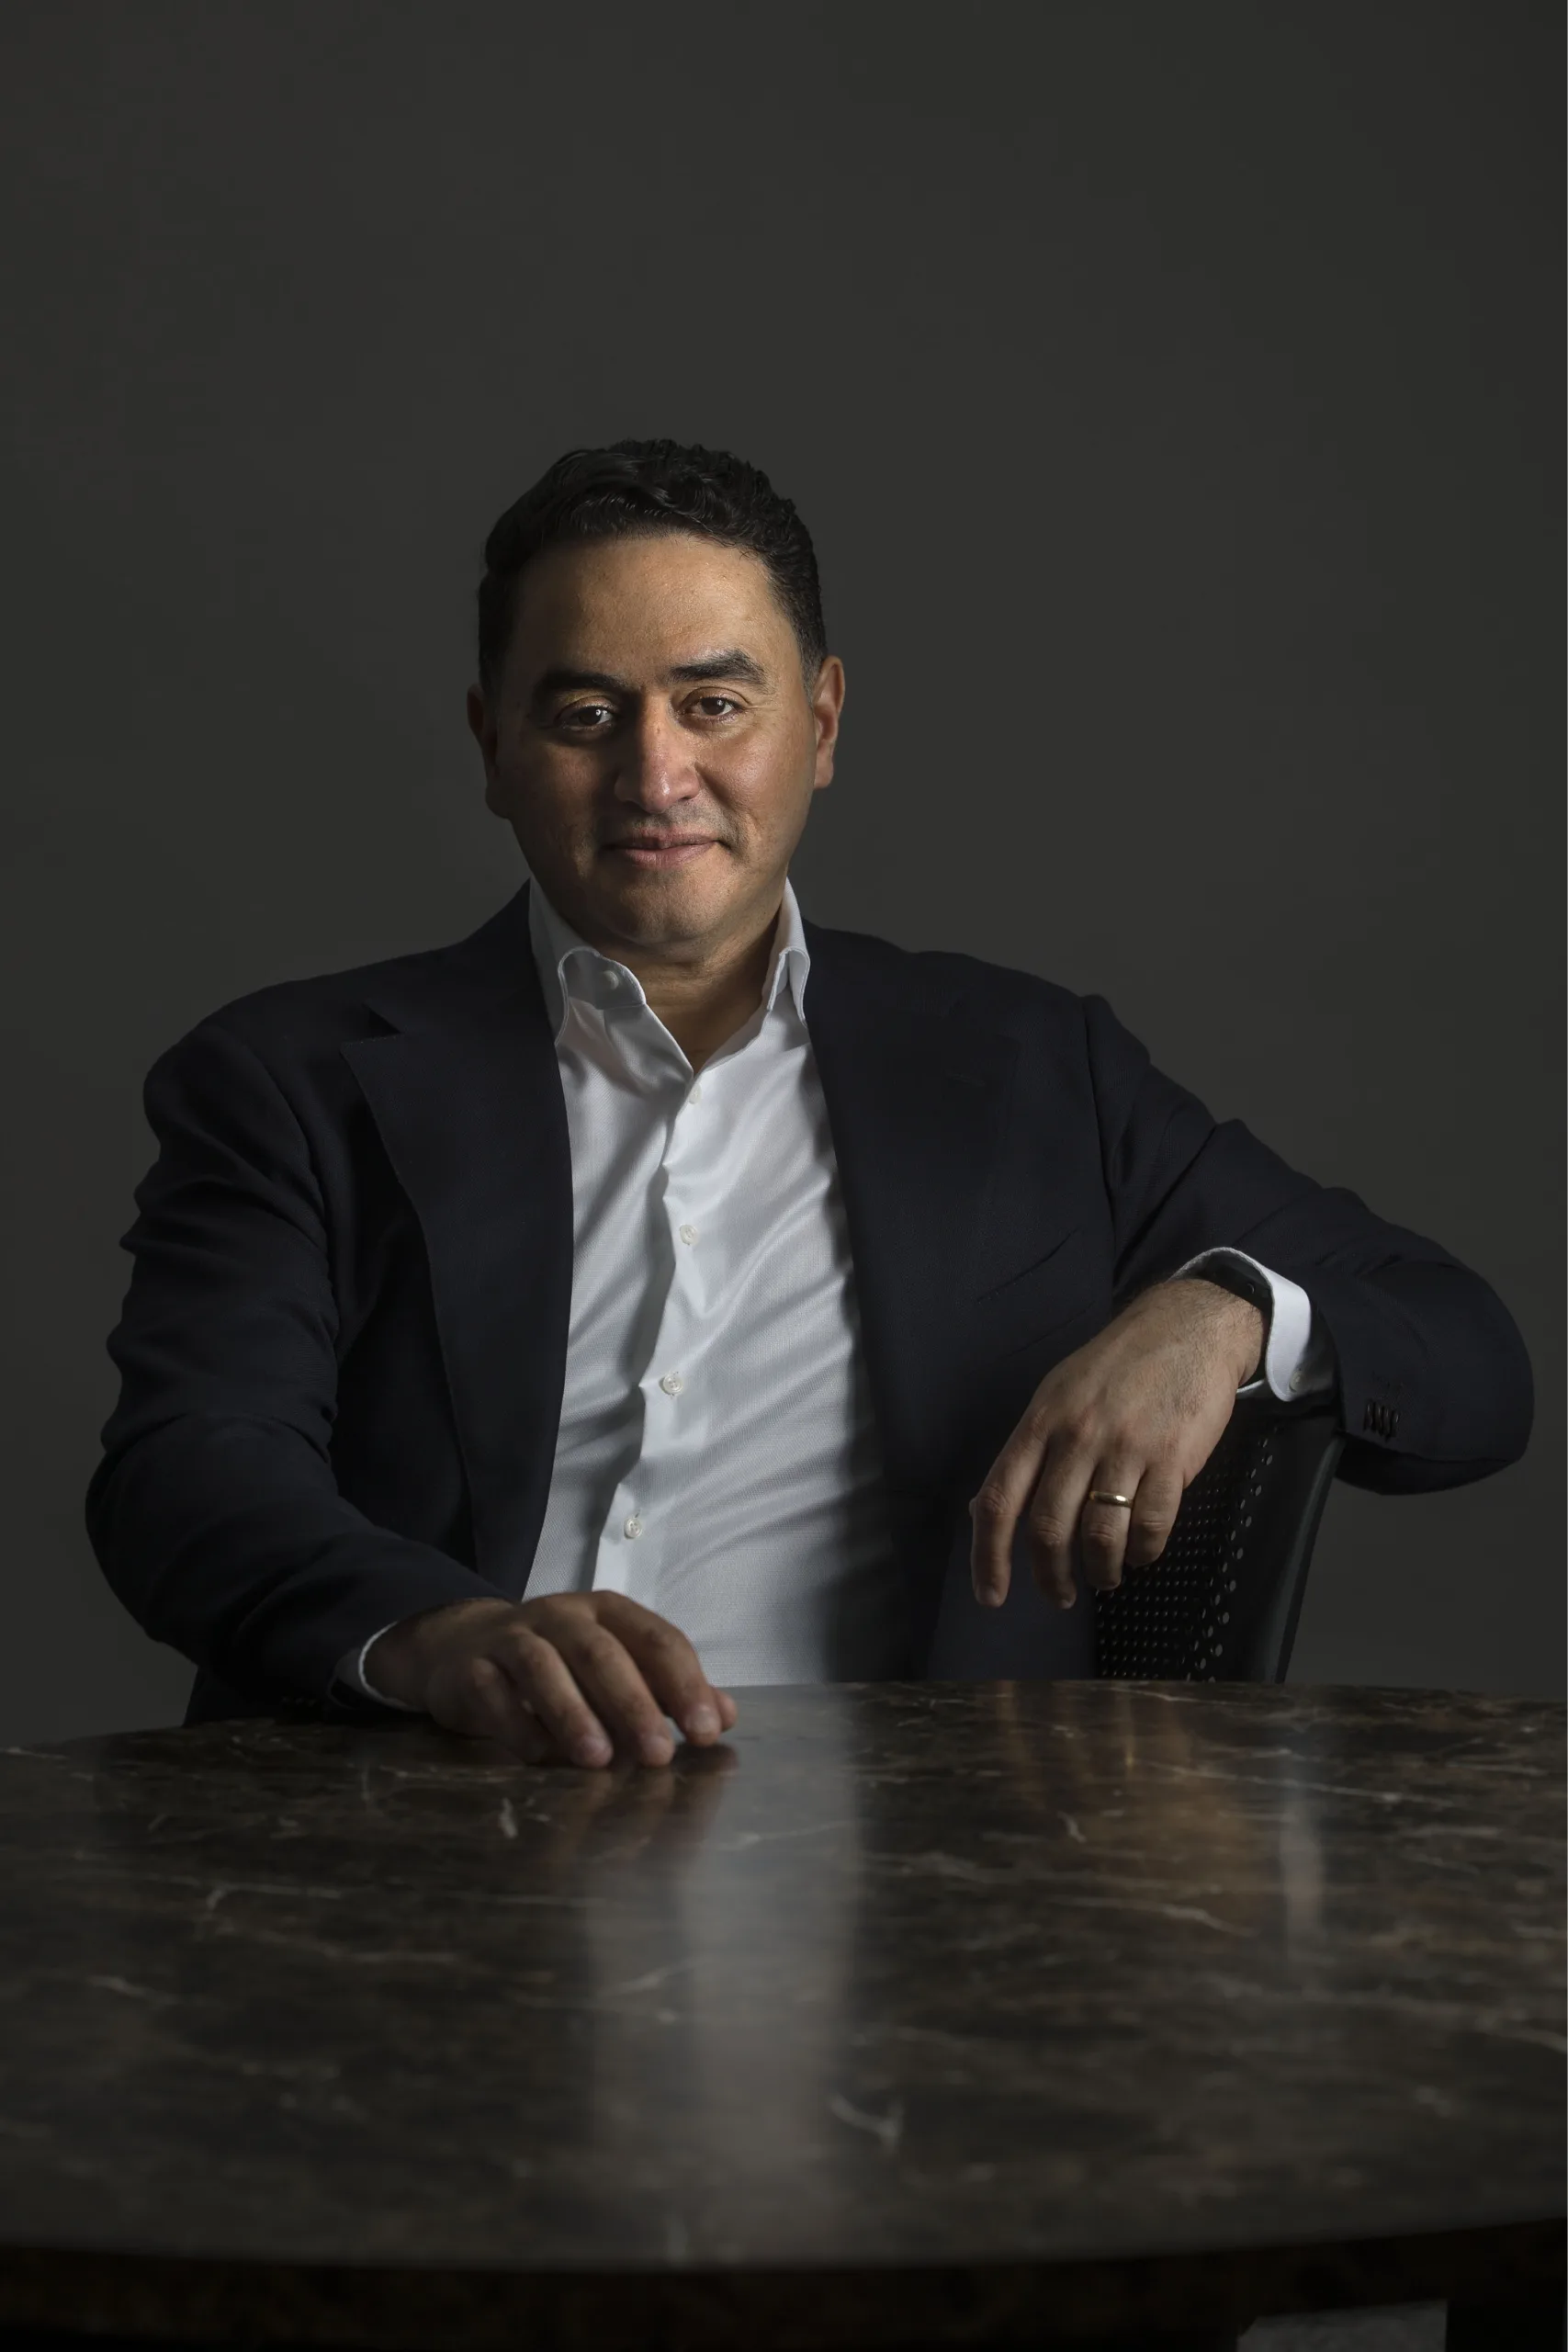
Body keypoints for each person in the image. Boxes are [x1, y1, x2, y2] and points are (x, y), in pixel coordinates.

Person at [87, 440, 1532, 1768]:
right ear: (491, 746)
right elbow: (188, 1475)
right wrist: (438, 1636)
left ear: (821, 722)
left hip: (918, 1883)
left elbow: (1468, 1359)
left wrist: (1226, 1312)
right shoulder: (291, 1081)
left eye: (714, 705)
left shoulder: (1031, 1071)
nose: (656, 774)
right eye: (586, 714)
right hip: (406, 1844)